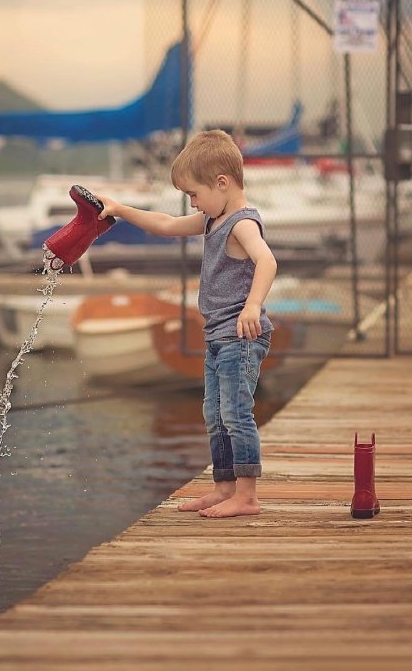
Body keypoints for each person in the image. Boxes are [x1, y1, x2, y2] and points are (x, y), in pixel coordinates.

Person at [97, 129, 277, 518]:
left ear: (222, 183)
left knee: (235, 413)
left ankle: (247, 495)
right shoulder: (213, 219)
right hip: (217, 337)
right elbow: (164, 224)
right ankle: (224, 487)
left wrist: (253, 306)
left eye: (194, 194)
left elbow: (267, 261)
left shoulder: (242, 223)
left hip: (240, 336)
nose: (192, 203)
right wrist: (121, 208)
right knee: (214, 414)